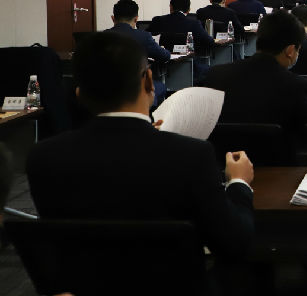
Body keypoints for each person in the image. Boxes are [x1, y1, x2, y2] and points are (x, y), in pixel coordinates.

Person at [27, 32, 255, 258]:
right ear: (148, 80)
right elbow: (234, 242)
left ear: (79, 94)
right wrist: (238, 182)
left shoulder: (43, 157)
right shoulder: (192, 155)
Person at [205, 11, 307, 150]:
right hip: (278, 161)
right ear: (290, 51)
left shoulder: (216, 75)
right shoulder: (295, 85)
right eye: (298, 50)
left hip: (225, 160)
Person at [107, 0, 170, 107]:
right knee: (161, 87)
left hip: (108, 89)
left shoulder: (101, 37)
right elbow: (165, 56)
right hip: (136, 89)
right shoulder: (143, 36)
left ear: (113, 18)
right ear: (136, 19)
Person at [147, 0, 215, 51]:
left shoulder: (157, 20)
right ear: (188, 10)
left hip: (159, 60)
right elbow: (209, 42)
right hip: (187, 62)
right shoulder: (194, 24)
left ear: (171, 6)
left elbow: (144, 38)